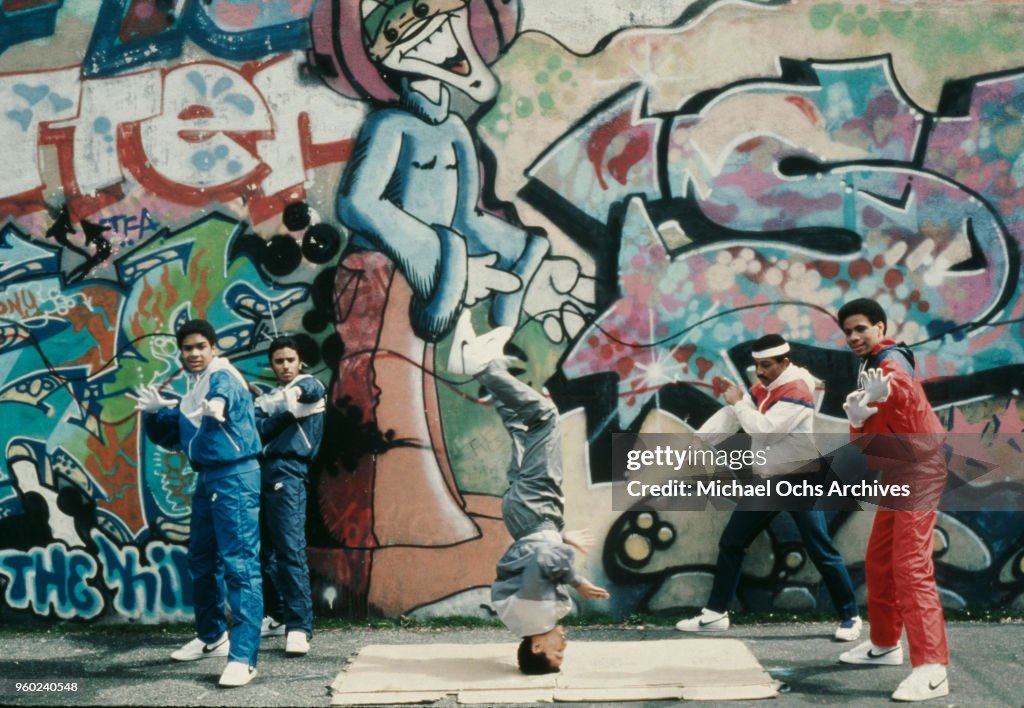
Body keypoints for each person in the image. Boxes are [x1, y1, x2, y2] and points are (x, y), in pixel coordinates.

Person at [446, 311, 609, 674]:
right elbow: (520, 560)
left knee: (545, 417)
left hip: (537, 509)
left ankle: (481, 367)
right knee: (522, 427)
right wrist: (559, 536)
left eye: (556, 654)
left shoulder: (539, 614)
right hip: (522, 517)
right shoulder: (515, 617)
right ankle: (486, 365)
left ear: (537, 646)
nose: (563, 647)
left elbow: (542, 562)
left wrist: (578, 581)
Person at [674, 334, 862, 641]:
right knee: (733, 542)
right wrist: (697, 442)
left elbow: (766, 430)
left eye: (767, 365)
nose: (760, 372)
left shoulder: (798, 390)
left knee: (820, 548)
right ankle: (715, 614)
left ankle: (851, 617)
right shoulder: (766, 387)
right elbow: (731, 414)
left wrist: (737, 404)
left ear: (784, 362)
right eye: (757, 365)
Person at [131, 319, 263, 687]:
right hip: (208, 477)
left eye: (201, 347)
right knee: (202, 561)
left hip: (235, 475)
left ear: (214, 348)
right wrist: (156, 412)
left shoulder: (222, 376)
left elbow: (224, 396)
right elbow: (171, 433)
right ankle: (212, 637)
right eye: (187, 348)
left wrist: (217, 405)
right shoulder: (193, 389)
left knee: (240, 563)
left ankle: (244, 656)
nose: (193, 354)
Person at [835, 298, 949, 702]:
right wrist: (857, 418)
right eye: (848, 331)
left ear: (880, 327)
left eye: (861, 328)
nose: (853, 337)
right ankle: (884, 645)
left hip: (920, 469)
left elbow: (901, 389)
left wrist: (889, 392)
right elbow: (868, 450)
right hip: (898, 471)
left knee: (911, 566)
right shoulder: (869, 369)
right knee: (880, 559)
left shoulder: (890, 361)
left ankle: (933, 668)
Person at [252, 337, 326, 657]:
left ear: (300, 362)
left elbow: (312, 389)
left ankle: (299, 627)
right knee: (264, 552)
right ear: (272, 364)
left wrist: (291, 396)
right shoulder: (273, 396)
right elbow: (260, 430)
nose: (285, 366)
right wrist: (277, 407)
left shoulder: (308, 385)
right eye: (279, 361)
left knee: (289, 551)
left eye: (290, 360)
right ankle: (278, 616)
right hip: (262, 474)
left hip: (289, 474)